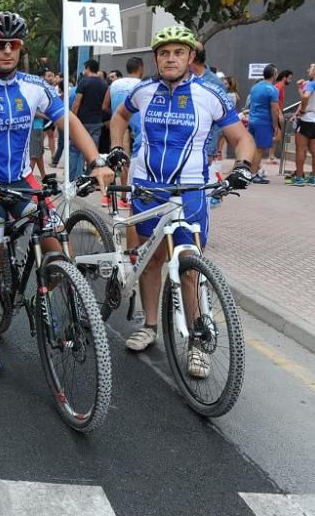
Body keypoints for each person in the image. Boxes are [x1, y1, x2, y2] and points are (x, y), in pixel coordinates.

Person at [0, 12, 113, 377]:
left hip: (24, 181)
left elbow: (68, 123)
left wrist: (97, 160)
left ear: (21, 48)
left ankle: (48, 285)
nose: (7, 51)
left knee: (58, 246)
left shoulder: (35, 86)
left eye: (14, 45)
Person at [109, 26, 255, 373]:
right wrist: (117, 148)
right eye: (164, 53)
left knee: (188, 265)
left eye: (178, 52)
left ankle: (197, 342)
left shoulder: (210, 94)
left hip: (190, 191)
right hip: (147, 187)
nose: (171, 58)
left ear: (191, 57)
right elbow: (119, 119)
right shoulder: (143, 91)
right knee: (151, 259)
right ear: (155, 58)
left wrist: (244, 166)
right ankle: (149, 327)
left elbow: (241, 138)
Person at [101, 56, 145, 211]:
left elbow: (104, 106)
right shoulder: (142, 85)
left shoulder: (114, 84)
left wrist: (115, 112)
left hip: (117, 124)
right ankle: (124, 198)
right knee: (128, 162)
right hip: (137, 126)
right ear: (141, 68)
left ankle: (106, 196)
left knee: (115, 158)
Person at [289, 62, 315, 186]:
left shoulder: (312, 83)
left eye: (310, 68)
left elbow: (305, 98)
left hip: (306, 119)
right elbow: (308, 98)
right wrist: (300, 88)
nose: (308, 70)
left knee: (301, 149)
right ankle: (314, 177)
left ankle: (299, 178)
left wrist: (302, 111)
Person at [70, 58, 107, 176]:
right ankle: (89, 177)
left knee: (76, 150)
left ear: (88, 68)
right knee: (92, 151)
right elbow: (104, 105)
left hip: (82, 122)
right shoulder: (104, 84)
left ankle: (73, 178)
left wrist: (72, 120)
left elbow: (76, 103)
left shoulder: (84, 82)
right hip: (97, 122)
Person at [245, 65, 281, 184]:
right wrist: (275, 125)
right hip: (264, 122)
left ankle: (250, 172)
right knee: (259, 149)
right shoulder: (272, 89)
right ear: (274, 75)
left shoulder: (255, 87)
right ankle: (253, 174)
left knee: (254, 147)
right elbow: (275, 110)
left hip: (253, 121)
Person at [271, 69, 293, 165]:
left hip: (276, 113)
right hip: (275, 114)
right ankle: (269, 155)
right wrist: (279, 114)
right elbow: (274, 102)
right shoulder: (278, 86)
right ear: (285, 77)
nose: (290, 80)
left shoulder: (281, 86)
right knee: (277, 136)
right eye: (290, 78)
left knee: (277, 136)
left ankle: (271, 156)